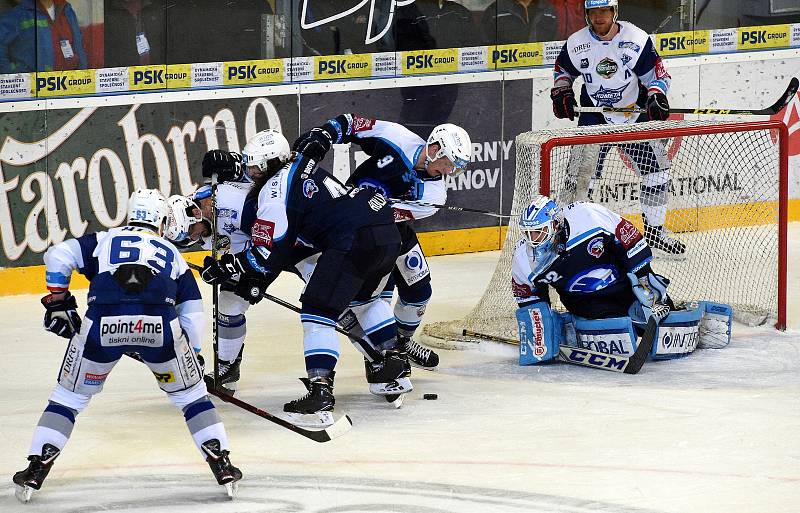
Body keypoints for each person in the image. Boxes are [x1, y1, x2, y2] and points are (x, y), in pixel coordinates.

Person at [12, 189, 242, 503]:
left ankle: (37, 467)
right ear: (162, 221)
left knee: (68, 399)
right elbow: (192, 308)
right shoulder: (172, 252)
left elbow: (57, 256)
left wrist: (58, 302)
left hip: (102, 326)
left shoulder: (103, 241)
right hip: (160, 328)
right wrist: (194, 354)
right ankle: (221, 464)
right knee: (192, 397)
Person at [198, 138, 408, 421]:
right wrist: (235, 165)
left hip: (338, 241)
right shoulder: (293, 161)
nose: (251, 171)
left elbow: (267, 252)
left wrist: (234, 269)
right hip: (380, 230)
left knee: (319, 312)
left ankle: (321, 390)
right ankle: (393, 362)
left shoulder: (272, 195)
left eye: (254, 166)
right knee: (361, 300)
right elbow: (262, 178)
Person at [292, 114, 473, 371]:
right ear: (435, 149)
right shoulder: (397, 137)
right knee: (376, 298)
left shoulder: (434, 194)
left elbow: (390, 215)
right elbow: (351, 123)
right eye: (448, 163)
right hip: (356, 227)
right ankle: (385, 351)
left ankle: (402, 341)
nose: (449, 171)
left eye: (455, 167)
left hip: (392, 231)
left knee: (420, 292)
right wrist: (325, 134)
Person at [511, 195, 732, 366]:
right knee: (616, 333)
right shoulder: (524, 257)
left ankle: (695, 325)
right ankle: (571, 330)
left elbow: (627, 235)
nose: (533, 240)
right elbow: (528, 296)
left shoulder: (587, 216)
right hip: (586, 303)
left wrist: (644, 276)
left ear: (556, 225)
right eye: (528, 234)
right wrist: (540, 327)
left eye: (539, 232)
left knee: (657, 320)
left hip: (625, 287)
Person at [550, 0, 685, 256]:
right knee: (580, 177)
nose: (599, 18)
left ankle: (655, 234)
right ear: (587, 14)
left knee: (656, 172)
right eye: (593, 12)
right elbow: (562, 71)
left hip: (633, 114)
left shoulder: (636, 39)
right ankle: (567, 234)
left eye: (604, 12)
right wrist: (562, 92)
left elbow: (658, 76)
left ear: (614, 12)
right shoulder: (577, 43)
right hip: (595, 116)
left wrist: (656, 95)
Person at [0, 0, 88, 73]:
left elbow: (79, 46)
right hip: (35, 88)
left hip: (70, 85)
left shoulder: (66, 9)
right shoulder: (19, 14)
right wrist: (13, 74)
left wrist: (83, 76)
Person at [481, 0, 558, 45]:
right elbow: (485, 46)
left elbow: (554, 44)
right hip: (505, 69)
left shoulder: (548, 9)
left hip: (543, 70)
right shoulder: (495, 10)